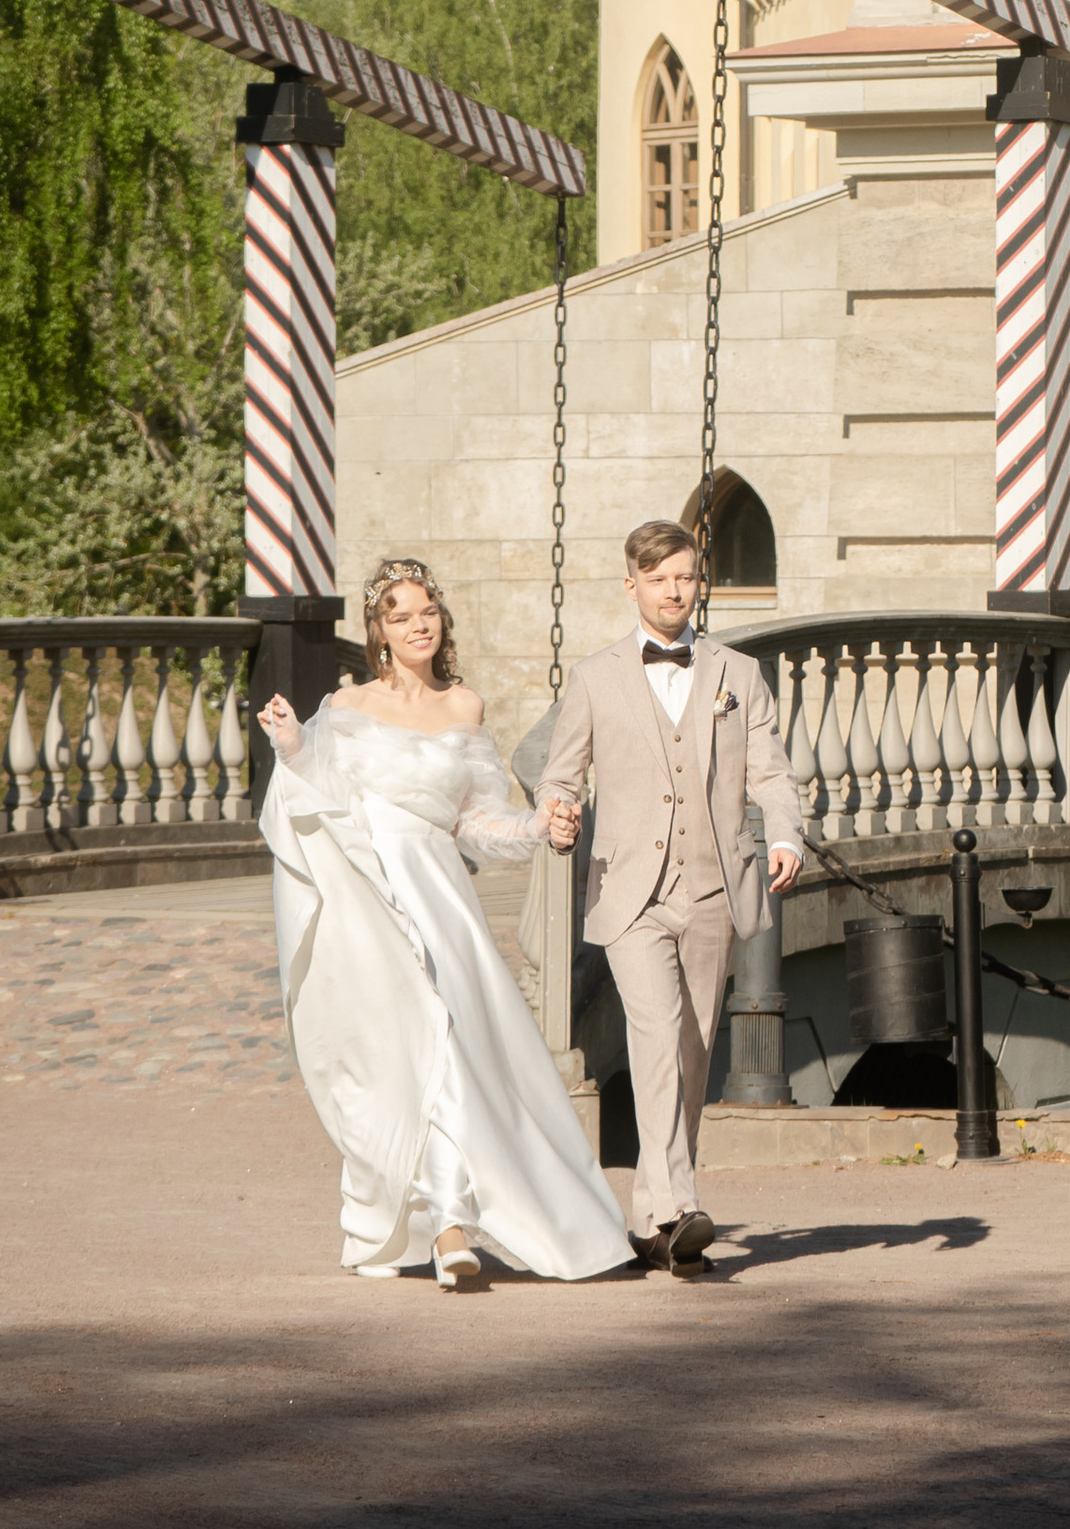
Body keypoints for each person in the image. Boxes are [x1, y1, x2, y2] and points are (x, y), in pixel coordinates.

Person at [257, 555, 634, 1291]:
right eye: (398, 615)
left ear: (442, 620)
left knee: (452, 1050)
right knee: (410, 1052)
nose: (416, 624)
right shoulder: (347, 706)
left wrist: (536, 828)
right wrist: (294, 747)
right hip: (367, 892)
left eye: (425, 610)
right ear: (379, 634)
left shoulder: (466, 707)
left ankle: (456, 1221)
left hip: (438, 895)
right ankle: (449, 1225)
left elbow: (475, 822)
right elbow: (326, 799)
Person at [539, 518, 805, 1273]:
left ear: (699, 582)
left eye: (685, 577)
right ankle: (680, 1205)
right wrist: (555, 815)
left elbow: (772, 775)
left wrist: (785, 836)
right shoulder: (594, 678)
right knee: (655, 1035)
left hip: (715, 884)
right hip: (631, 894)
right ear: (632, 586)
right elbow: (561, 776)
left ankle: (650, 1221)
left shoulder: (737, 674)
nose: (673, 591)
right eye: (658, 580)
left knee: (692, 1052)